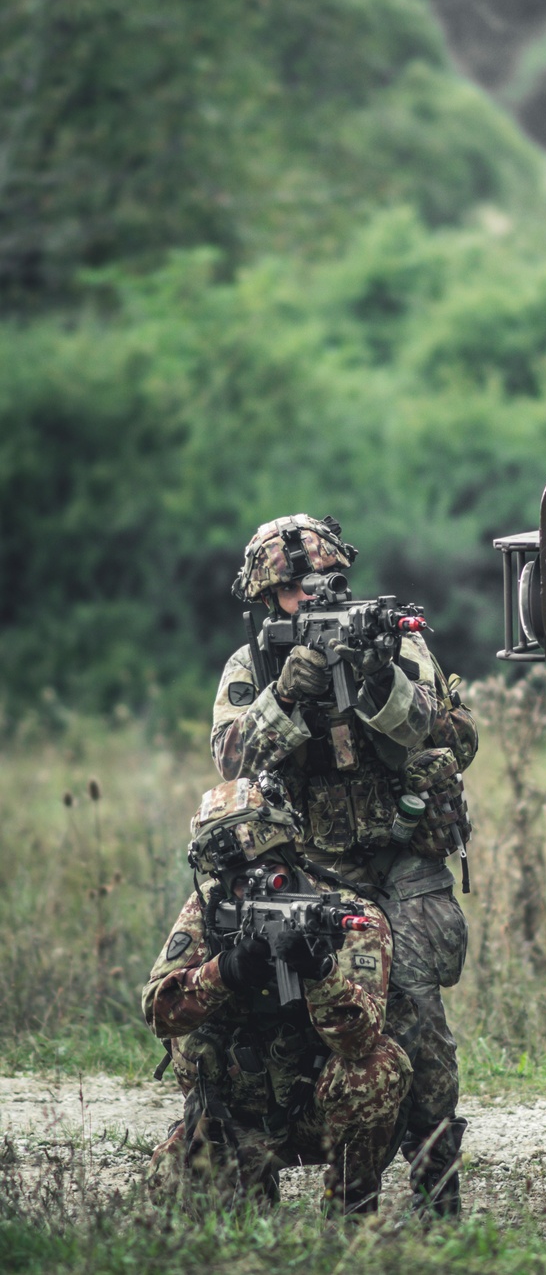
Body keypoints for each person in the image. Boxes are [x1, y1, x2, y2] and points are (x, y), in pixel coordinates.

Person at [211, 513, 477, 1216]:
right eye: (296, 588)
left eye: (324, 581)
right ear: (270, 598)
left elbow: (443, 731)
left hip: (399, 860)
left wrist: (376, 674)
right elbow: (232, 759)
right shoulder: (255, 663)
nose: (313, 595)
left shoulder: (385, 641)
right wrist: (287, 694)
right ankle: (307, 1180)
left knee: (419, 1023)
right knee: (296, 1025)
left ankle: (437, 1195)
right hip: (309, 870)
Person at [143, 777, 411, 1215]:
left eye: (269, 869)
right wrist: (225, 971)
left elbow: (361, 1040)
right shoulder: (208, 911)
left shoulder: (347, 913)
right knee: (174, 1194)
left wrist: (319, 974)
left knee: (377, 1070)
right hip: (235, 1117)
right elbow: (158, 1012)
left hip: (316, 1111)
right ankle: (252, 1185)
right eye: (236, 881)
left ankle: (351, 1212)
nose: (253, 886)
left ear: (286, 852)